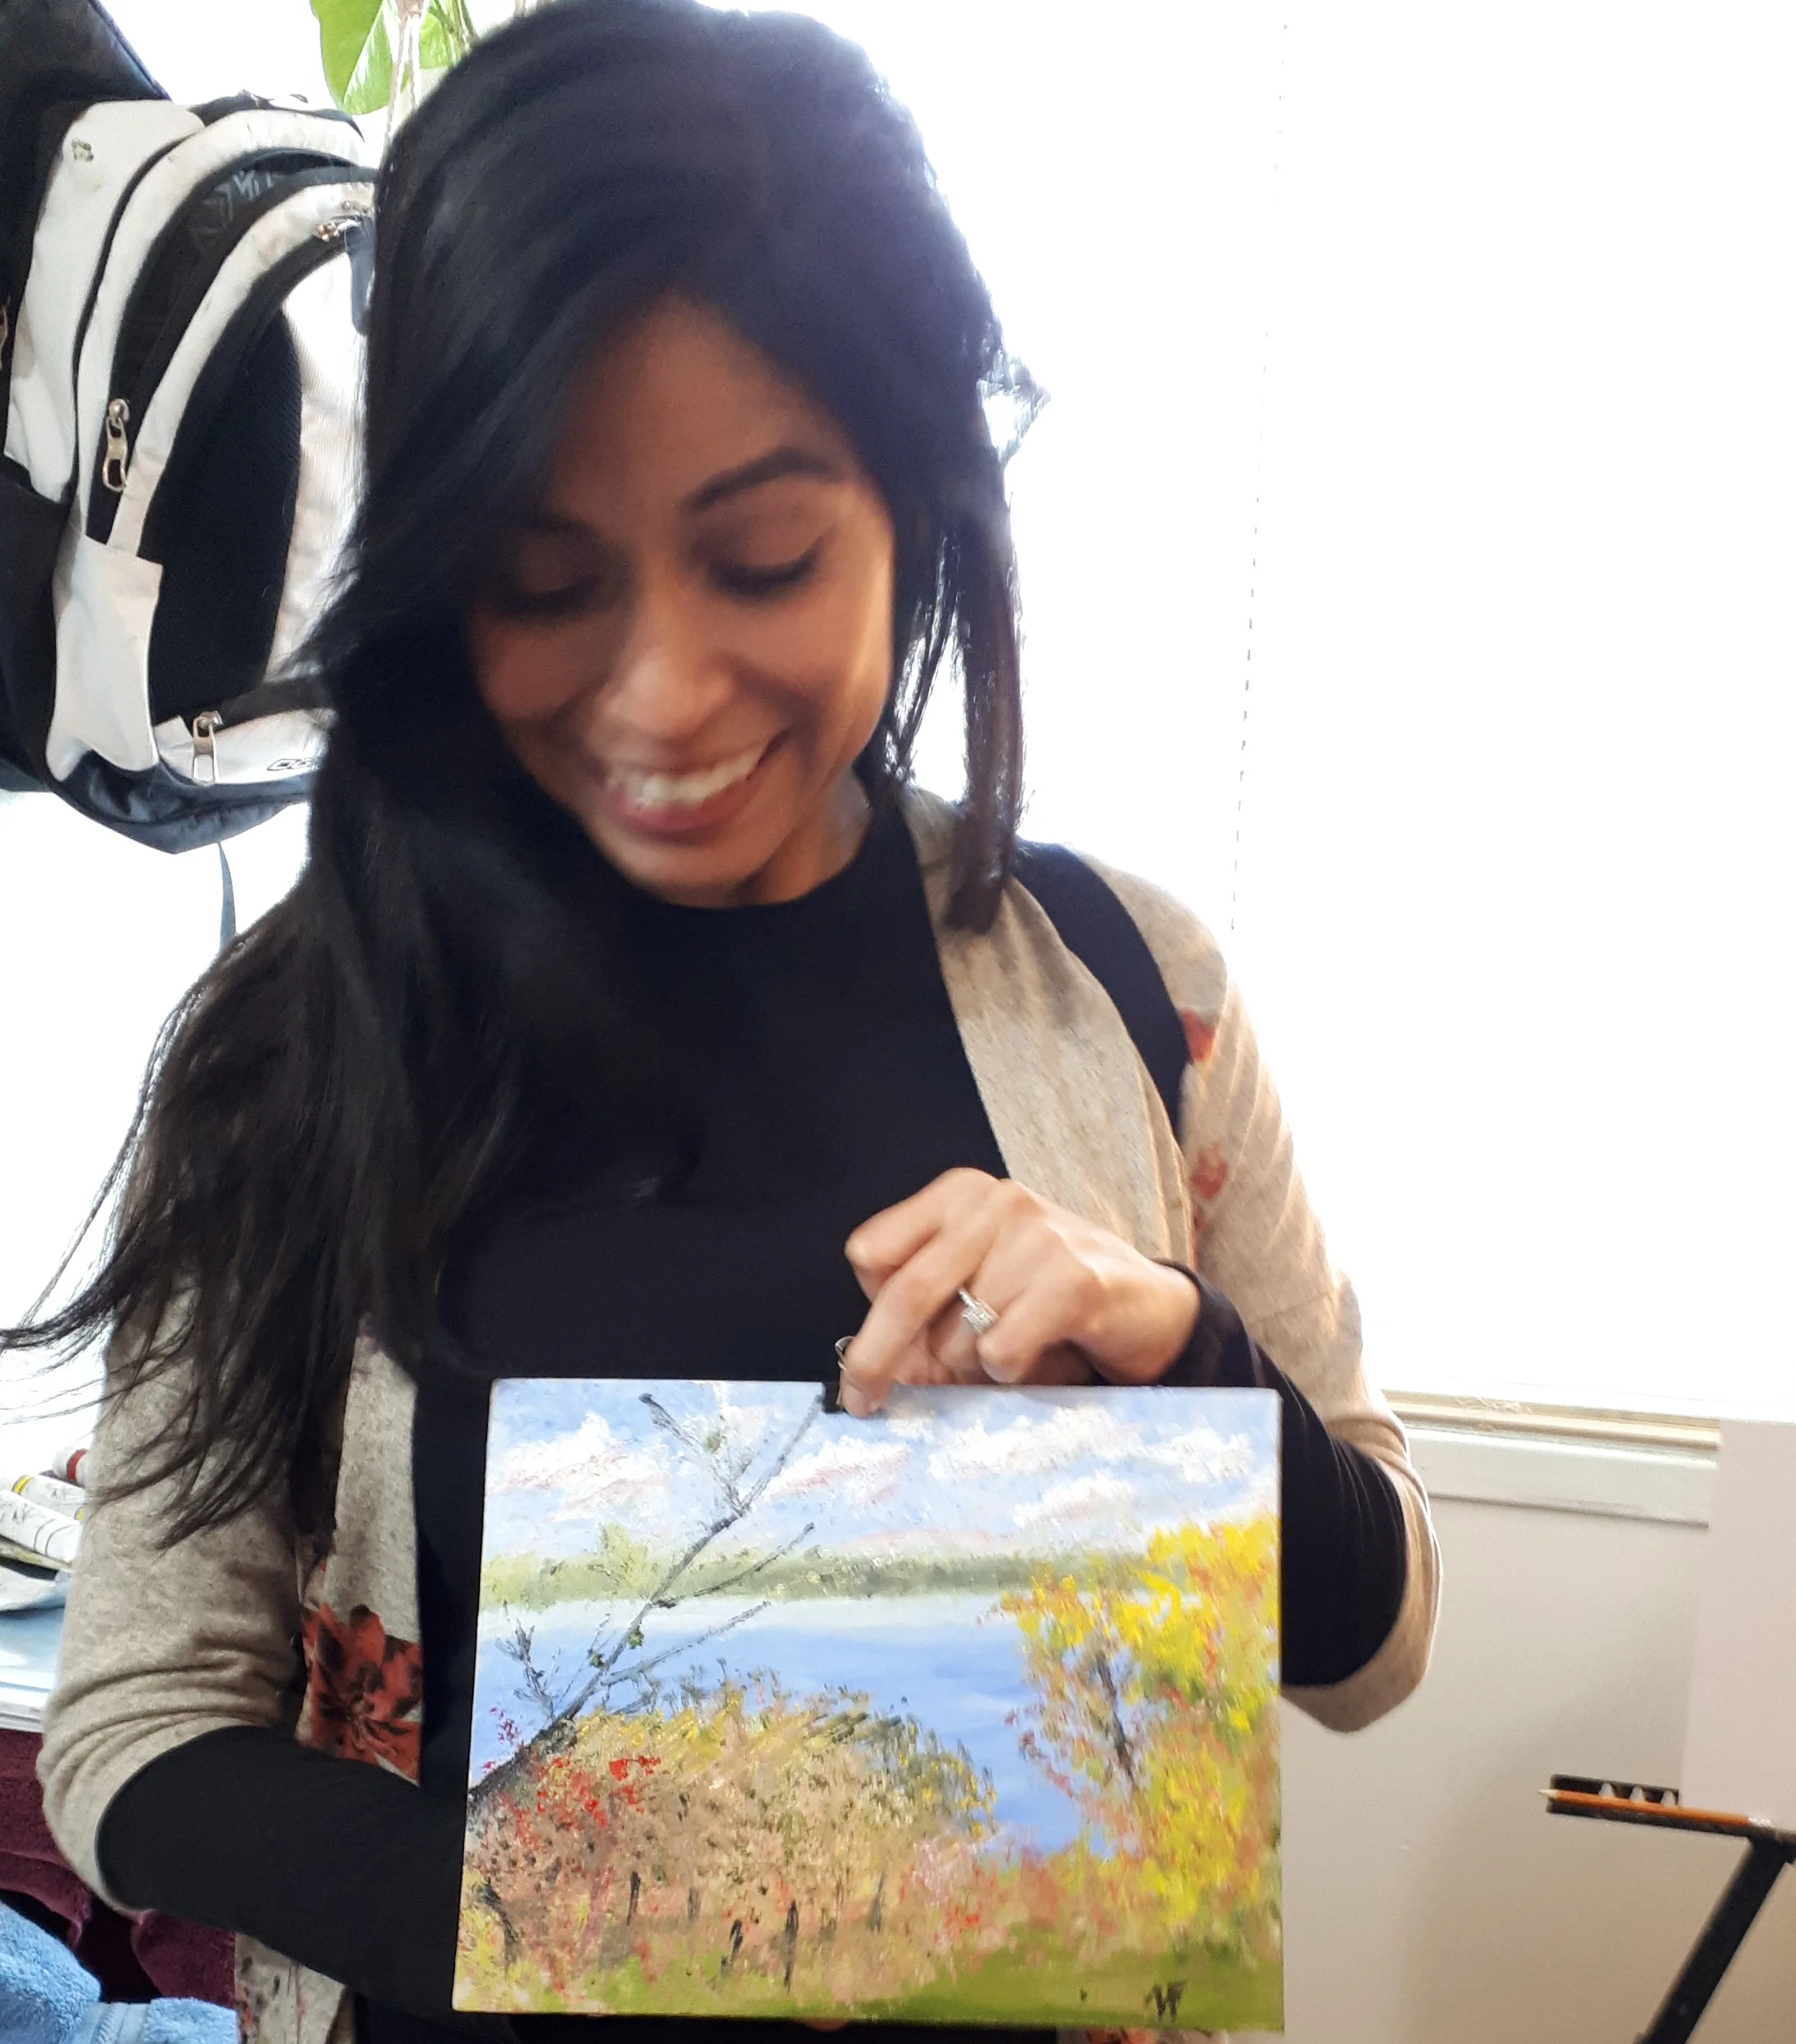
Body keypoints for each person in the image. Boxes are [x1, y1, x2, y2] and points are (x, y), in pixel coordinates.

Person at [18, 4, 1440, 2040]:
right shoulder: (301, 1043)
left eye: (764, 556)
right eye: (542, 580)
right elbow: (135, 1734)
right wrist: (650, 1909)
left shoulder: (1133, 991)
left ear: (919, 498)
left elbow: (1371, 1639)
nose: (664, 694)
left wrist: (1179, 1365)